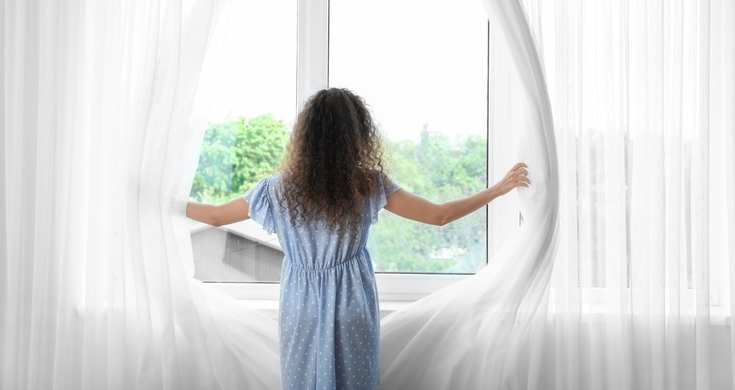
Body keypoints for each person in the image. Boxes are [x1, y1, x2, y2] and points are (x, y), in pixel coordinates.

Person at [185, 88, 529, 390]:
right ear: (358, 135)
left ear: (305, 136)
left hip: (300, 305)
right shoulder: (369, 185)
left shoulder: (276, 189)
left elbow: (215, 216)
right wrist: (497, 190)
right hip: (352, 302)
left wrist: (169, 203)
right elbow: (438, 216)